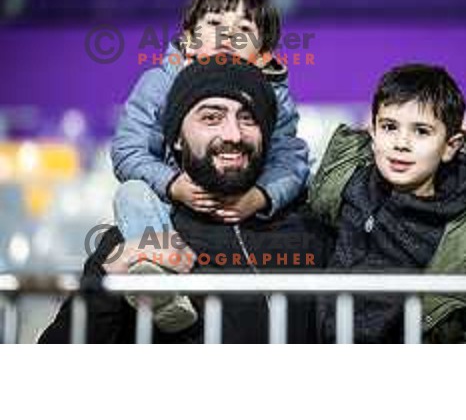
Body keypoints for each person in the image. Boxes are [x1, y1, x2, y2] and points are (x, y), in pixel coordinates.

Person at [39, 58, 322, 343]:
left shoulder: (311, 231)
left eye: (248, 118)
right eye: (211, 117)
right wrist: (106, 286)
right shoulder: (138, 237)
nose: (233, 134)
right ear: (176, 138)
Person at [308, 64, 466, 343]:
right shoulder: (340, 195)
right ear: (372, 133)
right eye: (389, 127)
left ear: (450, 146)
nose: (401, 143)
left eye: (421, 131)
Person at [111, 0, 310, 245]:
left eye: (243, 28)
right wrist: (173, 184)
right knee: (132, 194)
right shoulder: (160, 82)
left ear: (262, 51)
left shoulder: (274, 95)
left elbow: (289, 158)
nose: (227, 35)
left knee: (308, 180)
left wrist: (261, 196)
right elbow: (128, 149)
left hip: (244, 196)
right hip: (175, 203)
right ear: (190, 39)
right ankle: (158, 268)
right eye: (215, 23)